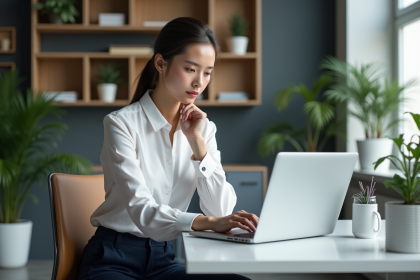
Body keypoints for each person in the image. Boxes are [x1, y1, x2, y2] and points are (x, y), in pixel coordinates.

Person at [77, 17, 258, 280]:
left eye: (207, 72)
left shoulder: (204, 129)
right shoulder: (121, 124)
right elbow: (142, 209)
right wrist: (207, 223)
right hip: (112, 258)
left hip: (163, 260)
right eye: (190, 69)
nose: (199, 82)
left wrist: (197, 144)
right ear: (161, 63)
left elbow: (220, 211)